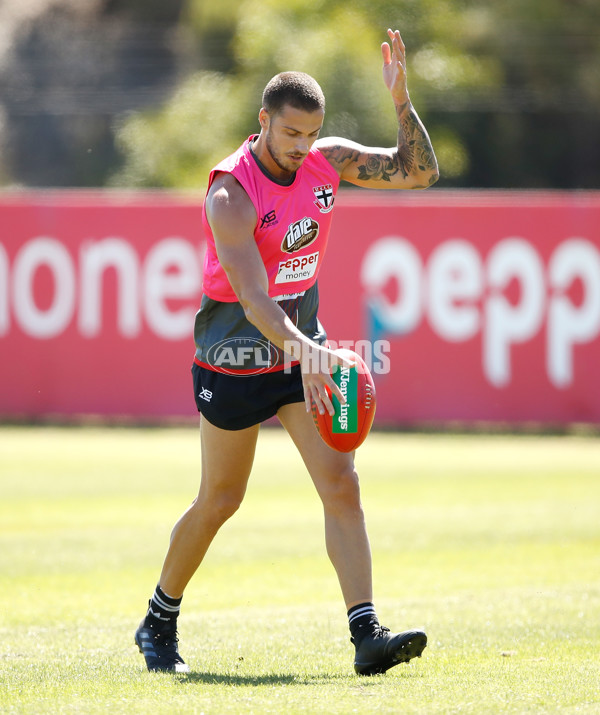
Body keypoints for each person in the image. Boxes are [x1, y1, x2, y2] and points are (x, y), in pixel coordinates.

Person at [135, 28, 439, 676]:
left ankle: (366, 634)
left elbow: (418, 172)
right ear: (263, 122)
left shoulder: (326, 163)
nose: (303, 147)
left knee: (341, 484)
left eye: (312, 133)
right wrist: (314, 353)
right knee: (221, 499)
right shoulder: (230, 194)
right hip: (234, 358)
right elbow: (253, 301)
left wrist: (401, 98)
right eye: (291, 133)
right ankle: (158, 618)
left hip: (304, 352)